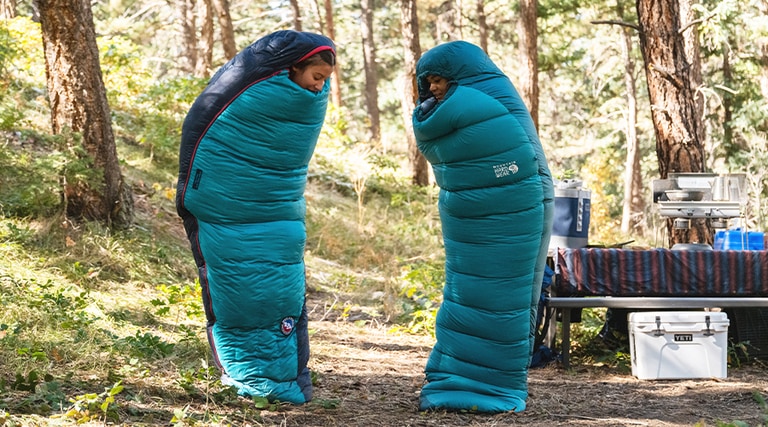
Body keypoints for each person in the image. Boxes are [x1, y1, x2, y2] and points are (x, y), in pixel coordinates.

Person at [175, 30, 335, 405]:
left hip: (279, 216)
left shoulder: (301, 102)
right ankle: (261, 377)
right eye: (316, 77)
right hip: (230, 211)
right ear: (289, 69)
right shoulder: (256, 93)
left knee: (279, 284)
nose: (319, 88)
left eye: (325, 81)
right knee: (247, 284)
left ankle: (282, 375)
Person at [412, 41, 554, 413]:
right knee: (467, 290)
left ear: (462, 77)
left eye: (441, 80)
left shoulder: (483, 102)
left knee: (504, 295)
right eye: (429, 83)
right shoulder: (470, 103)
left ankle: (490, 386)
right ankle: (457, 373)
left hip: (517, 205)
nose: (435, 90)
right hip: (475, 209)